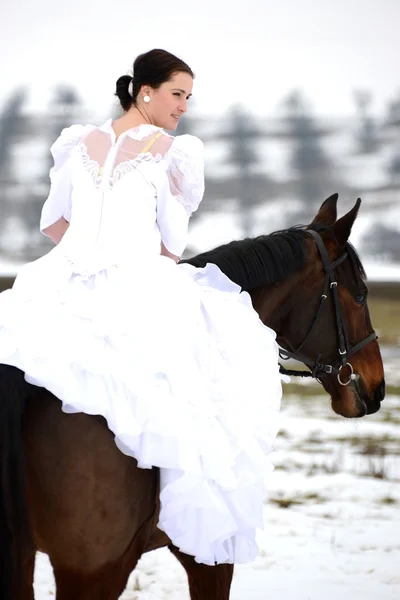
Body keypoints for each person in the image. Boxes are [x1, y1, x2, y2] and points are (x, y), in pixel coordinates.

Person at [0, 49, 283, 565]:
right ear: (144, 91)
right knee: (209, 382)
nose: (184, 108)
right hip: (136, 278)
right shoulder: (171, 152)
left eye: (188, 98)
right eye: (177, 94)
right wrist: (127, 261)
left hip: (62, 275)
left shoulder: (77, 143)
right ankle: (177, 510)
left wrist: (84, 256)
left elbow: (52, 224)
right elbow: (171, 245)